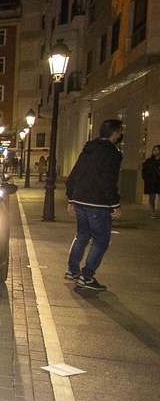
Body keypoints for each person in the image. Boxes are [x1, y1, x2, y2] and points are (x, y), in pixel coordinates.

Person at [65, 119, 124, 291]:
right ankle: (87, 276)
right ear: (114, 134)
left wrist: (71, 198)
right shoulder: (112, 153)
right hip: (98, 204)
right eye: (120, 132)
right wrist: (115, 204)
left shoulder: (88, 150)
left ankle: (72, 270)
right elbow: (108, 180)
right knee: (101, 240)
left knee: (82, 235)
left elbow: (74, 174)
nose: (120, 135)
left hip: (81, 200)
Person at [142, 145, 160, 218]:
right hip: (151, 181)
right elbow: (144, 170)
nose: (155, 151)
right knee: (152, 197)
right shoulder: (149, 161)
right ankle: (152, 212)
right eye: (154, 150)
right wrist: (146, 178)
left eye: (157, 150)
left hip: (158, 181)